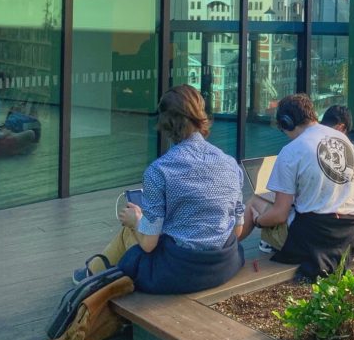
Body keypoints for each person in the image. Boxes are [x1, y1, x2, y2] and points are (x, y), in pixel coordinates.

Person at [75, 84, 245, 294]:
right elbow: (237, 229)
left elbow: (148, 244)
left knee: (131, 229)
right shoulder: (230, 163)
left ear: (166, 123)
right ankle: (92, 273)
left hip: (178, 273)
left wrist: (135, 219)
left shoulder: (159, 171)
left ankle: (91, 275)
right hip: (223, 266)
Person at [240, 93, 354, 279]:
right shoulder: (344, 140)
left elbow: (279, 215)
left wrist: (259, 221)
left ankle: (226, 252)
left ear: (287, 123)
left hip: (313, 241)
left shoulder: (291, 151)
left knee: (255, 202)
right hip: (350, 235)